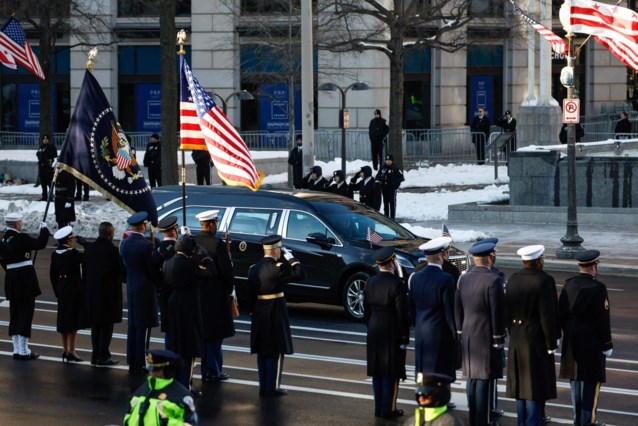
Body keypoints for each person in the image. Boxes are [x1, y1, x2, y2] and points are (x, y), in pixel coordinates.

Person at [505, 245, 560, 426]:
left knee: (520, 386)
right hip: (535, 339)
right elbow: (547, 314)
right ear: (539, 260)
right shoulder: (544, 281)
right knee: (534, 387)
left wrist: (511, 331)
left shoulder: (513, 279)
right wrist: (551, 342)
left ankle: (523, 422)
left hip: (516, 337)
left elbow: (507, 312)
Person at [559, 250, 613, 426]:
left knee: (575, 381)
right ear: (593, 266)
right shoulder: (598, 288)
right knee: (591, 382)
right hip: (591, 343)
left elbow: (562, 314)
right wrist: (607, 343)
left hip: (572, 341)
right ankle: (587, 420)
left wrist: (569, 332)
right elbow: (602, 319)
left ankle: (577, 419)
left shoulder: (568, 284)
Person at [455, 242, 506, 426]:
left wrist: (460, 331)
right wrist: (498, 337)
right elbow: (496, 311)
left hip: (468, 334)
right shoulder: (493, 280)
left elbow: (458, 308)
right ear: (489, 257)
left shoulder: (463, 278)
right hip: (486, 336)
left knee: (472, 378)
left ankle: (474, 417)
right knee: (484, 379)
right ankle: (481, 421)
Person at [248, 235, 305, 396]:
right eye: (280, 249)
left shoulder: (253, 268)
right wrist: (292, 258)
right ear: (275, 250)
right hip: (275, 311)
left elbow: (250, 293)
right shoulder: (278, 268)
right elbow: (300, 273)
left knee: (262, 349)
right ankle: (272, 386)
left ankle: (263, 385)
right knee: (276, 349)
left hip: (259, 311)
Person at [163, 236, 213, 394]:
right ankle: (186, 386)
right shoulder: (189, 263)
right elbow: (210, 272)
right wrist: (205, 257)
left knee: (175, 347)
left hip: (173, 305)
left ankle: (175, 384)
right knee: (189, 349)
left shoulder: (168, 262)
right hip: (188, 308)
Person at [364, 246, 410, 419]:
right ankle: (388, 408)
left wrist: (371, 325)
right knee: (391, 372)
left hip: (374, 328)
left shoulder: (370, 281)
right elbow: (402, 314)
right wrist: (404, 336)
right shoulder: (397, 284)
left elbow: (366, 310)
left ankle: (378, 407)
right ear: (392, 263)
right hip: (391, 330)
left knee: (377, 370)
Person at [194, 210, 235, 383]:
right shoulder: (217, 244)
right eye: (215, 222)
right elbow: (227, 272)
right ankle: (213, 369)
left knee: (203, 334)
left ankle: (206, 369)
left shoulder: (194, 241)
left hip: (198, 294)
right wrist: (229, 290)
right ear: (211, 224)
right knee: (215, 336)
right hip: (216, 294)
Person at [1, 213, 49, 360]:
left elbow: (3, 262)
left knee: (15, 313)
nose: (21, 224)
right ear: (16, 224)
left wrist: (14, 270)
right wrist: (44, 230)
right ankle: (23, 350)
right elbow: (40, 244)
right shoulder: (21, 238)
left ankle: (17, 348)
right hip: (25, 281)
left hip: (11, 280)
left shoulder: (2, 240)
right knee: (26, 314)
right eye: (20, 222)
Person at [408, 237, 457, 381]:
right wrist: (454, 332)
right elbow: (449, 310)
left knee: (422, 368)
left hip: (420, 329)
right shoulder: (446, 279)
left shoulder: (415, 277)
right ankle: (438, 401)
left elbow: (411, 306)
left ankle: (424, 399)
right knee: (439, 370)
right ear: (441, 256)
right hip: (439, 330)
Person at [119, 211, 160, 374]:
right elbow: (152, 269)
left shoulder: (125, 243)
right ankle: (141, 362)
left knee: (133, 326)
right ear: (142, 226)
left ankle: (132, 361)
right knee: (143, 328)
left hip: (132, 287)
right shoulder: (146, 245)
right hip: (145, 289)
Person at [124, 349, 199, 426]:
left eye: (153, 369)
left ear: (165, 370)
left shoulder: (182, 396)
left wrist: (166, 423)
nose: (150, 372)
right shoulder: (143, 389)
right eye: (149, 368)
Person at [84, 221, 123, 366]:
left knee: (95, 327)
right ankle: (104, 355)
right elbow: (120, 271)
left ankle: (95, 354)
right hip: (108, 295)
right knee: (106, 327)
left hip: (92, 293)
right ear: (111, 234)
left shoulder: (90, 249)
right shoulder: (114, 251)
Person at [50, 226, 87, 362]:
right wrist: (86, 245)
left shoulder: (55, 254)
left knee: (63, 320)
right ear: (69, 240)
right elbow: (87, 259)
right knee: (72, 321)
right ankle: (72, 351)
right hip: (73, 290)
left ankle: (64, 350)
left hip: (61, 289)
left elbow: (52, 275)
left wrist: (57, 291)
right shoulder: (73, 254)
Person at [151, 216, 179, 344]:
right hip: (179, 292)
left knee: (168, 327)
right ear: (174, 231)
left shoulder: (157, 251)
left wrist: (160, 285)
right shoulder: (180, 249)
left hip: (164, 292)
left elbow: (152, 271)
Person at [375, 154, 405, 219]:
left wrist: (395, 185)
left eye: (389, 160)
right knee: (385, 204)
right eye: (387, 160)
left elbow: (401, 178)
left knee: (392, 205)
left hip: (392, 189)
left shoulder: (395, 168)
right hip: (384, 189)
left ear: (392, 161)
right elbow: (377, 176)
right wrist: (378, 182)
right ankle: (386, 218)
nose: (388, 161)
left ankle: (392, 219)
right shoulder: (382, 168)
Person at [36, 134, 57, 201]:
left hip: (48, 168)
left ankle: (51, 197)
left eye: (46, 139)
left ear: (48, 140)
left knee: (49, 183)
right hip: (41, 168)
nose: (45, 140)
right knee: (43, 183)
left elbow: (54, 156)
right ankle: (44, 196)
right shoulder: (41, 147)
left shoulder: (51, 147)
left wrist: (50, 164)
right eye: (44, 139)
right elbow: (38, 154)